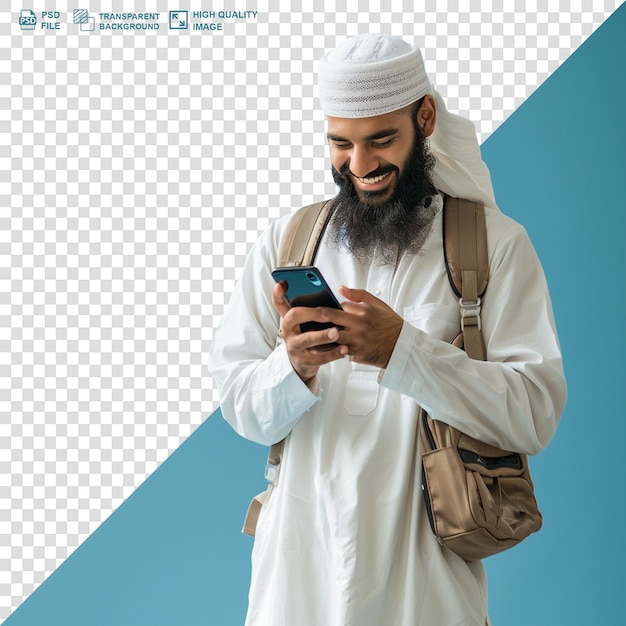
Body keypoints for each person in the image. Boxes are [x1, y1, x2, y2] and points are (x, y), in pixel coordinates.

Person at [208, 33, 566, 626]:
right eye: (340, 144)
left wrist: (404, 351)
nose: (360, 165)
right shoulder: (290, 241)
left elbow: (534, 412)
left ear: (424, 117)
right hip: (299, 582)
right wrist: (292, 365)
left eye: (381, 140)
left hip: (422, 589)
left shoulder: (492, 246)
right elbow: (242, 407)